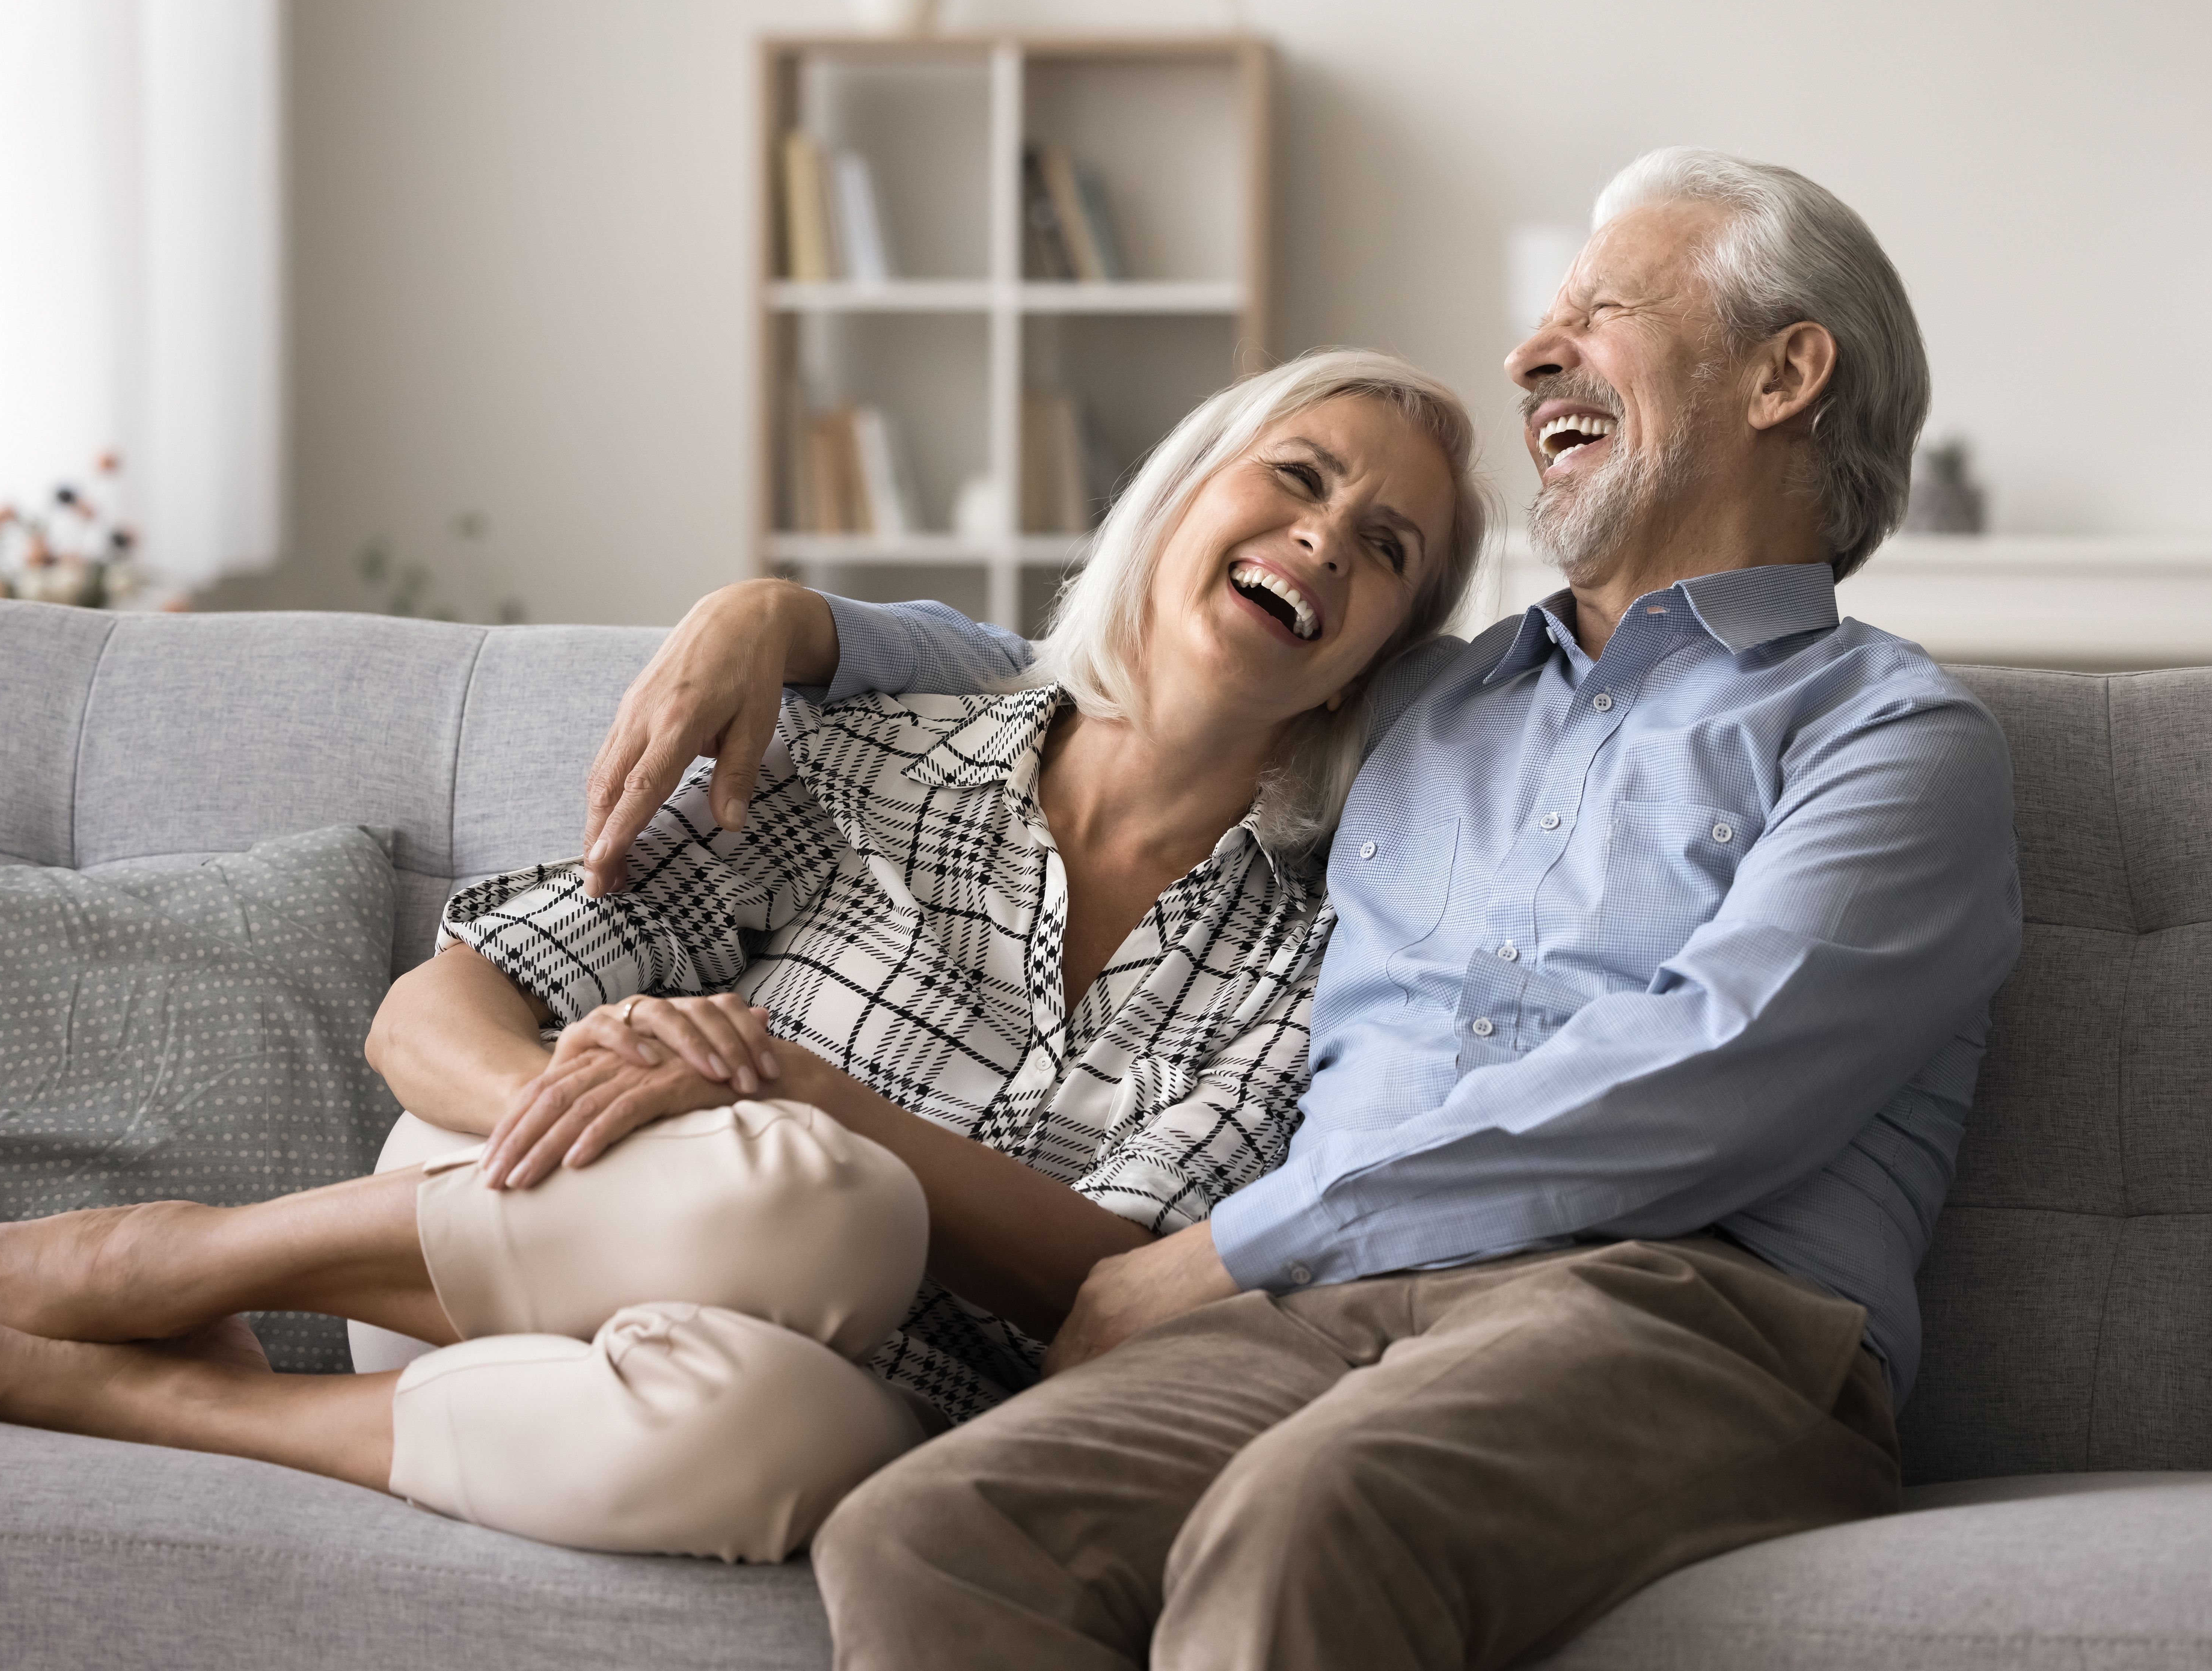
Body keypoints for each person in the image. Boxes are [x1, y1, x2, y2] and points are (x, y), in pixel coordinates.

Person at [581, 147, 2024, 1667]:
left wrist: (1236, 1243)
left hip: (1692, 1316)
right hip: (1329, 1306)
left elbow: (1712, 1073)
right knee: (934, 1527)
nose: (1532, 353)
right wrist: (787, 617)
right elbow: (1126, 666)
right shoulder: (1426, 700)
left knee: (1313, 1510)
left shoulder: (1893, 737)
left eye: (1598, 310)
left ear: (1784, 372)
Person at [0, 350, 1487, 1564]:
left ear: (1369, 669)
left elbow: (1105, 1279)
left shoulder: (1325, 942)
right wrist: (588, 1121)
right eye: (1300, 473)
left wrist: (792, 1083)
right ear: (1190, 494)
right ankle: (188, 1258)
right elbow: (433, 1006)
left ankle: (172, 1399)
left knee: (793, 1419)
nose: (1330, 536)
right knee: (801, 1197)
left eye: (1388, 547)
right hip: (498, 1247)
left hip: (802, 1391)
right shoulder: (882, 756)